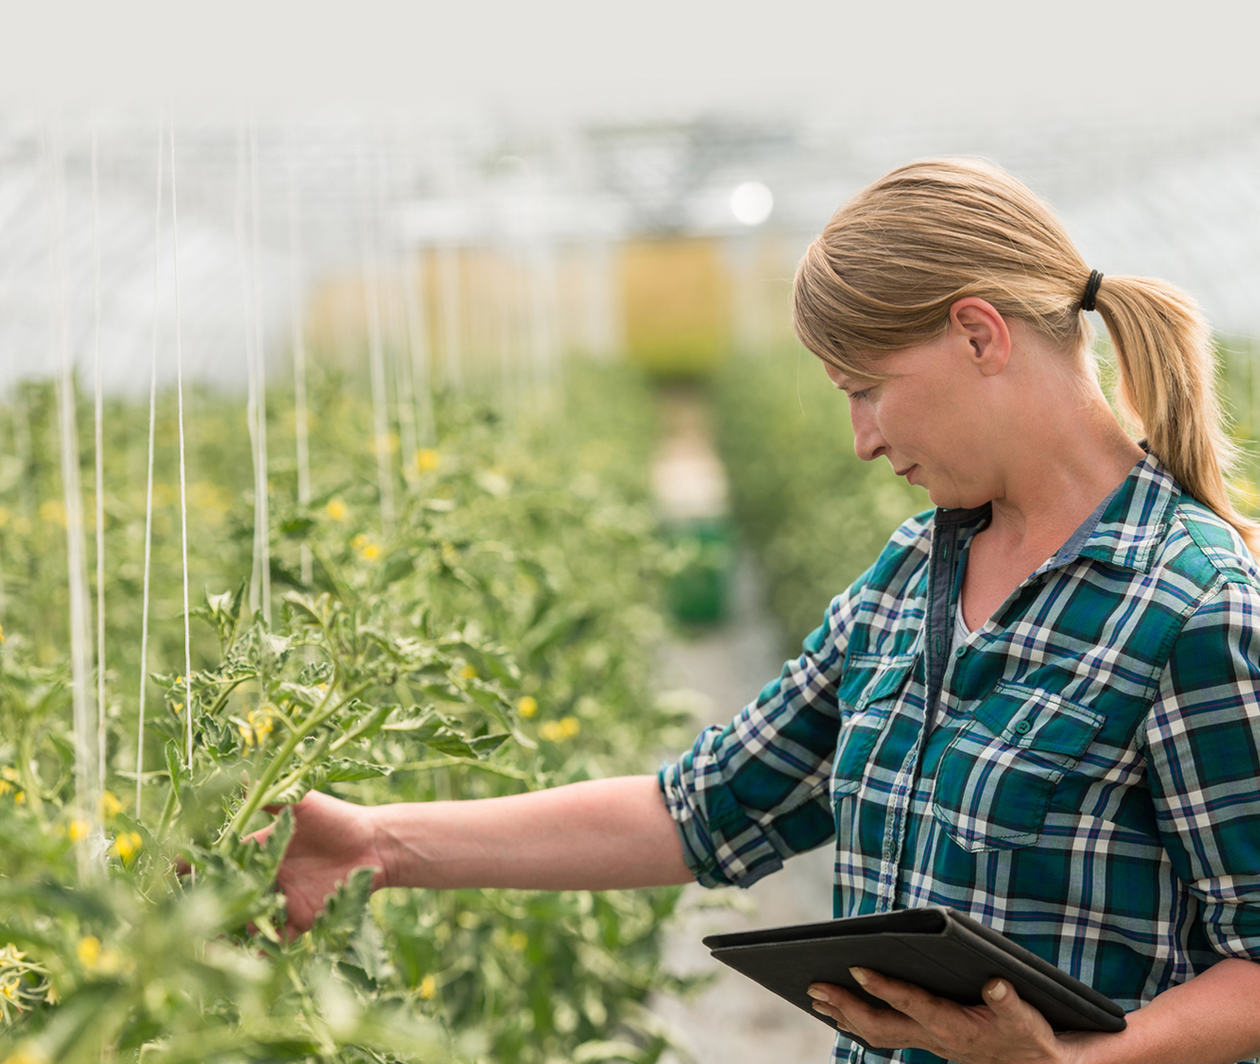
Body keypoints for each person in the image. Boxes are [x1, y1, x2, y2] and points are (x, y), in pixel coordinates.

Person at [258, 158, 1260, 1064]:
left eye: (867, 388)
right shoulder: (915, 575)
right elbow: (697, 805)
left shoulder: (1192, 604)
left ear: (978, 333)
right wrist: (378, 841)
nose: (862, 438)